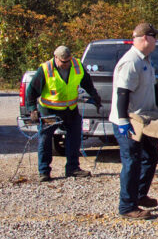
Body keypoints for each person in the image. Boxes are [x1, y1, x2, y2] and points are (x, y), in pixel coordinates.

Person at [109, 22, 158, 220]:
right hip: (130, 121)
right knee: (131, 162)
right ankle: (127, 207)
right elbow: (122, 93)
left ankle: (139, 194)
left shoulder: (146, 60)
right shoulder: (131, 61)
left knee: (150, 157)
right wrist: (123, 121)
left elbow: (154, 89)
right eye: (154, 37)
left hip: (144, 121)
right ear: (145, 38)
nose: (156, 40)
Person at [26, 45, 102, 182]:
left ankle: (73, 169)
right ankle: (44, 171)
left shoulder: (77, 65)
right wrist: (32, 109)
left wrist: (95, 96)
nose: (66, 64)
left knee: (74, 139)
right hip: (49, 111)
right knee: (45, 141)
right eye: (63, 62)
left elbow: (87, 83)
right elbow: (31, 90)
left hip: (70, 110)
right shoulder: (45, 69)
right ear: (56, 58)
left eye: (68, 61)